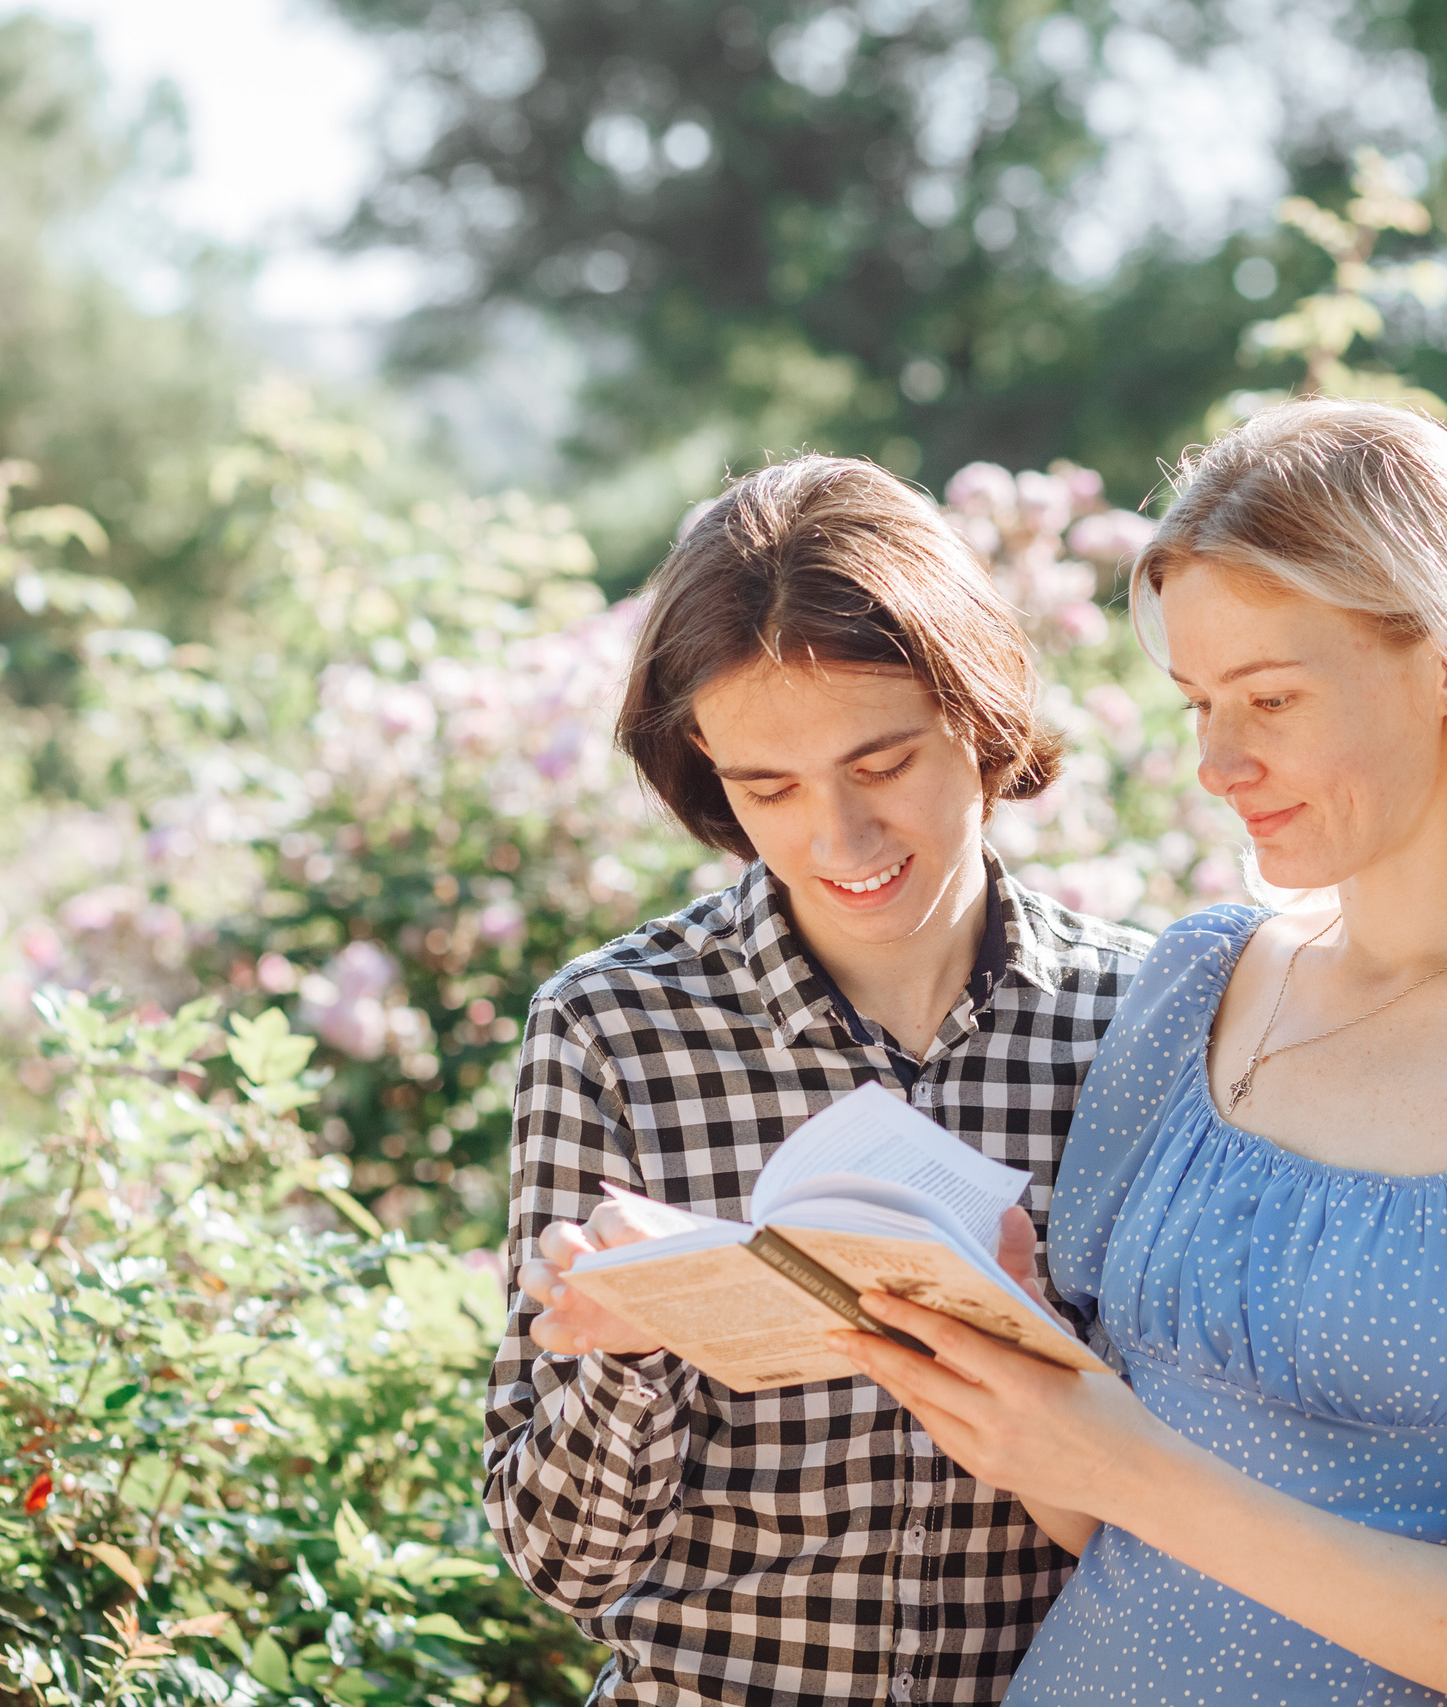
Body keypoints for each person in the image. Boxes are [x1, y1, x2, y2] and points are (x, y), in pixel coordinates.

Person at [833, 399, 1447, 1707]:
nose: (1219, 760)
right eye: (1200, 703)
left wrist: (1126, 1463)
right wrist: (1011, 1382)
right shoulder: (1196, 985)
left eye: (1271, 695)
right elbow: (1101, 1526)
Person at [484, 455, 1151, 1704]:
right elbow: (561, 1565)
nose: (834, 841)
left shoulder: (1141, 1023)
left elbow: (1213, 1501)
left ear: (980, 710)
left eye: (881, 763)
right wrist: (635, 1350)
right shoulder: (614, 1028)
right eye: (767, 788)